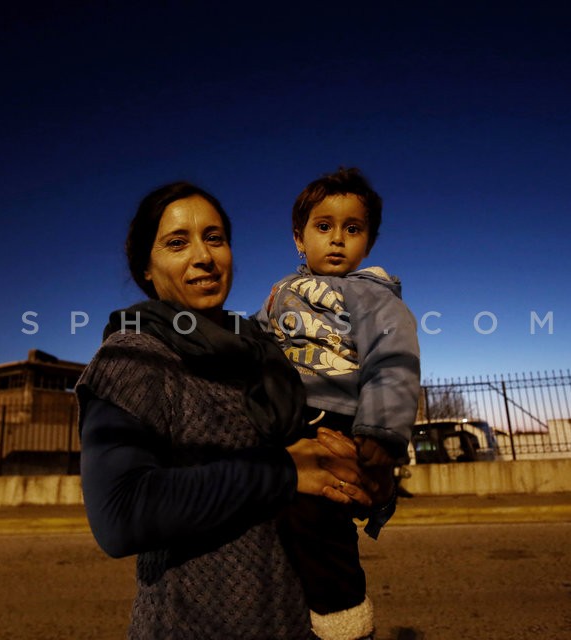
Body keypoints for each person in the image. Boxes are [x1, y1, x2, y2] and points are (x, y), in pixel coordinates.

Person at [76, 181, 376, 640]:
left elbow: (318, 459)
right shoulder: (133, 358)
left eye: (215, 238)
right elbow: (119, 513)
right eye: (178, 243)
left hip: (299, 623)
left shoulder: (267, 348)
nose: (204, 256)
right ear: (147, 269)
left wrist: (364, 473)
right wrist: (282, 473)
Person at [257, 167, 421, 640]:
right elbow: (254, 343)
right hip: (282, 422)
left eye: (353, 229)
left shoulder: (375, 296)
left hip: (337, 418)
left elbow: (393, 361)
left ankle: (345, 622)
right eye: (323, 226)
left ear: (368, 242)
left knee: (318, 517)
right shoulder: (280, 293)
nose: (337, 240)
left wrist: (381, 432)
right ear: (298, 238)